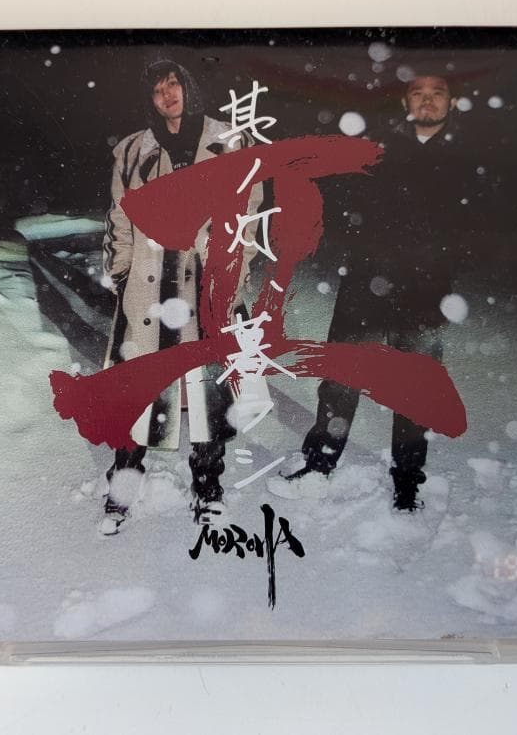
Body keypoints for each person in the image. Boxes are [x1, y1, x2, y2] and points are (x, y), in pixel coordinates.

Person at [282, 71, 480, 511]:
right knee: (341, 379)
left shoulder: (466, 158)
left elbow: (477, 227)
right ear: (405, 102)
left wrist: (440, 263)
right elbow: (344, 200)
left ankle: (407, 484)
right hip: (366, 286)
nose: (427, 101)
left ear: (452, 102)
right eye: (418, 93)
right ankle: (318, 466)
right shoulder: (379, 149)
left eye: (437, 94)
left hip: (426, 292)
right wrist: (363, 248)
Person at [99, 58, 262, 534]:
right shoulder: (133, 150)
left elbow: (247, 220)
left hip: (205, 285)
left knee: (208, 392)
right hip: (148, 287)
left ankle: (208, 488)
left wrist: (231, 276)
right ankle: (124, 482)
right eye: (157, 89)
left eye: (174, 84)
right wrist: (122, 272)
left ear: (190, 86)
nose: (168, 94)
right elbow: (120, 217)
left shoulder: (231, 142)